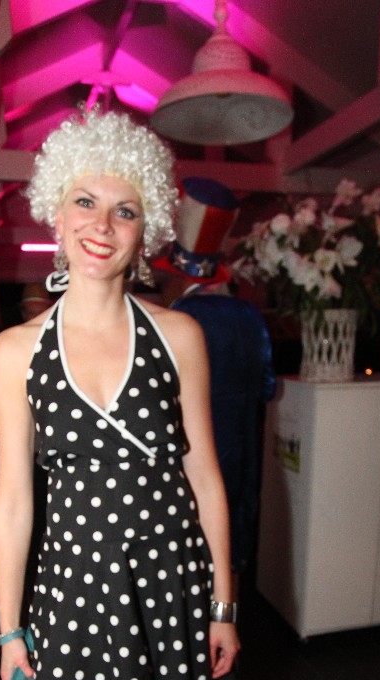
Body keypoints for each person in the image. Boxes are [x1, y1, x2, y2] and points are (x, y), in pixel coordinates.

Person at [0, 108, 252, 680]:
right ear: (54, 211)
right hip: (71, 591)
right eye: (84, 201)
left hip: (170, 585)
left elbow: (205, 477)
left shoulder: (179, 335)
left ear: (149, 230)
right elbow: (13, 503)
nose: (102, 224)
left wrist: (223, 603)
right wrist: (9, 631)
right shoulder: (14, 350)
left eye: (125, 209)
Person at [155, 176, 276, 581]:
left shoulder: (176, 322)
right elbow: (267, 388)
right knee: (229, 563)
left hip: (189, 471)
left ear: (179, 276)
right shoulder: (251, 317)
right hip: (241, 467)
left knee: (188, 573)